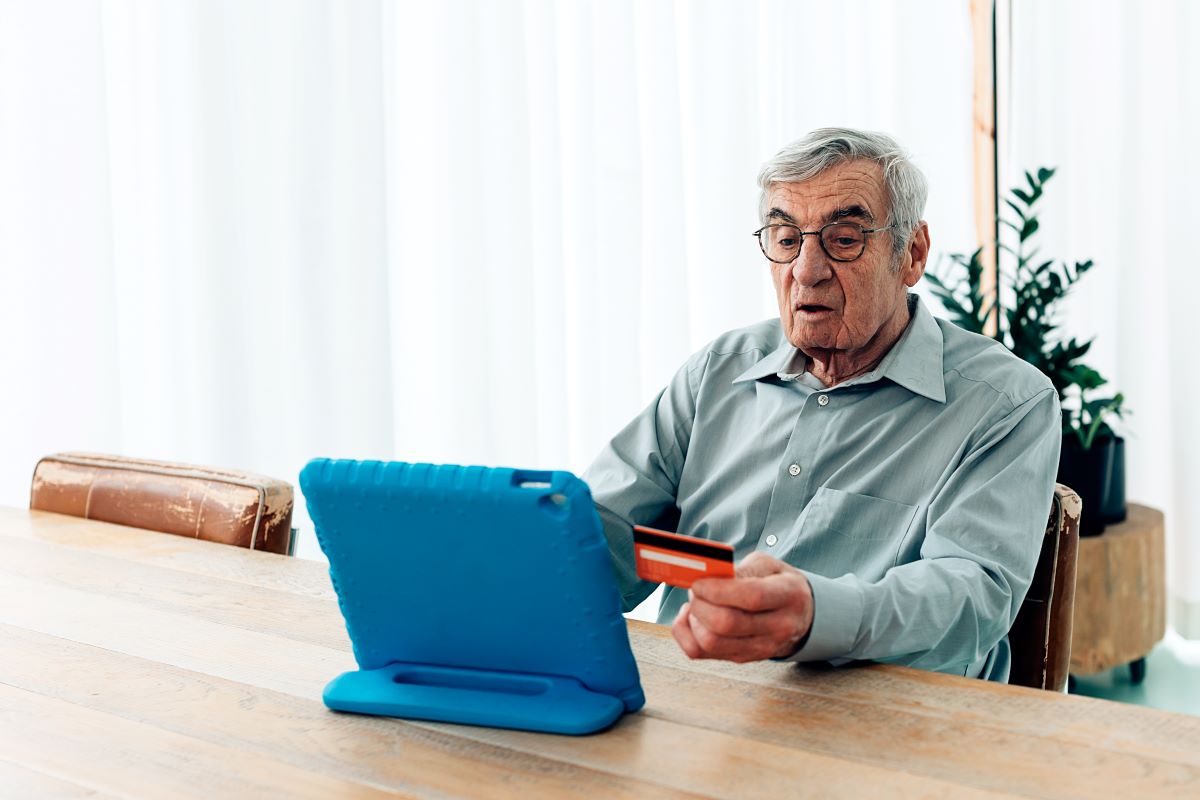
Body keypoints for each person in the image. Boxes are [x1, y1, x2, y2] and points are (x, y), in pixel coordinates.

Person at [582, 127, 1060, 681]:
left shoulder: (1004, 403)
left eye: (845, 237)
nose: (805, 271)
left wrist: (814, 616)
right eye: (786, 239)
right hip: (691, 701)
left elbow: (969, 602)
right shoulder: (720, 371)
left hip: (890, 730)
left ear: (912, 253)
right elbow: (602, 537)